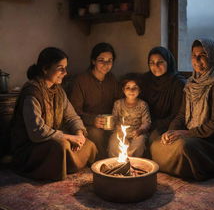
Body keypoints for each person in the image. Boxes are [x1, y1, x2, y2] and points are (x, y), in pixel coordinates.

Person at [150, 38, 214, 181]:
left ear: (213, 57)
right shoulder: (191, 84)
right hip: (191, 134)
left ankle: (192, 169)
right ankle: (183, 168)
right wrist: (171, 132)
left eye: (202, 55)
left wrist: (185, 132)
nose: (196, 60)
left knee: (184, 147)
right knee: (156, 144)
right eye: (193, 55)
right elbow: (181, 115)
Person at [11, 47, 97, 181]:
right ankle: (59, 166)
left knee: (88, 144)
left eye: (65, 68)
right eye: (60, 68)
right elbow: (36, 132)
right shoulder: (32, 92)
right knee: (61, 146)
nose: (65, 72)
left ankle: (63, 164)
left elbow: (72, 117)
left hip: (50, 139)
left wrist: (79, 134)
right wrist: (69, 137)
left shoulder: (59, 91)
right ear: (45, 69)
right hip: (30, 146)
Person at [69, 42, 120, 159]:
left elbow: (119, 101)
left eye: (110, 60)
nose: (106, 64)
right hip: (87, 123)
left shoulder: (112, 79)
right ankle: (101, 163)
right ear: (93, 61)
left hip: (108, 123)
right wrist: (93, 120)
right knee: (97, 134)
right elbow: (74, 111)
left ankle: (118, 162)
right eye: (101, 60)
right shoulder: (81, 81)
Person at [141, 46, 186, 142]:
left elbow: (177, 114)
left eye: (160, 62)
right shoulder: (145, 80)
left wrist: (152, 125)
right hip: (145, 123)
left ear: (168, 62)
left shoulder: (178, 83)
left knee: (154, 137)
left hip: (168, 125)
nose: (155, 66)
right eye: (151, 63)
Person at [108, 73, 151, 158]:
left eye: (135, 88)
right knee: (114, 142)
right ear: (123, 90)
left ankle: (133, 163)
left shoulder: (143, 105)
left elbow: (147, 122)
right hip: (120, 133)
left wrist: (140, 131)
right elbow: (114, 119)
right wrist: (118, 130)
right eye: (128, 88)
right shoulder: (118, 104)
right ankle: (116, 163)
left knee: (139, 142)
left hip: (137, 133)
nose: (131, 91)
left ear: (140, 90)